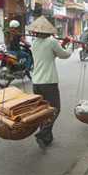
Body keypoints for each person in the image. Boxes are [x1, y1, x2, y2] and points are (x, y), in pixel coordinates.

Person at [27, 16, 73, 148]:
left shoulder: (34, 43)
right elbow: (64, 55)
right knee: (55, 109)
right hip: (49, 82)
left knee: (42, 111)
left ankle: (47, 137)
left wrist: (62, 43)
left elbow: (52, 54)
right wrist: (69, 45)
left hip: (36, 83)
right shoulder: (51, 42)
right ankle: (43, 133)